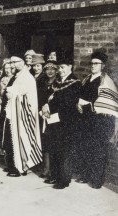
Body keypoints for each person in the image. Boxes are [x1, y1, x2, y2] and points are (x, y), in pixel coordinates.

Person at [76, 51, 118, 189]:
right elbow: (81, 95)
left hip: (99, 121)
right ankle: (86, 175)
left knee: (98, 150)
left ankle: (97, 180)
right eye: (92, 63)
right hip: (85, 120)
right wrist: (79, 104)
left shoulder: (106, 82)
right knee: (85, 147)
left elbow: (107, 103)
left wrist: (88, 105)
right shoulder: (87, 79)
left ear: (103, 65)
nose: (93, 66)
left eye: (96, 64)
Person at [41, 50, 81, 189]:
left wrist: (52, 104)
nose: (61, 71)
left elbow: (68, 104)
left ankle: (64, 180)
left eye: (63, 67)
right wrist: (46, 105)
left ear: (70, 67)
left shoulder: (75, 83)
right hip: (53, 121)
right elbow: (49, 97)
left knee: (64, 152)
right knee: (53, 149)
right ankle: (55, 175)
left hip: (66, 123)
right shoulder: (57, 83)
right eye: (60, 68)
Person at [1, 54, 42, 177]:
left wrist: (12, 96)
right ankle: (12, 165)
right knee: (10, 140)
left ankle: (20, 167)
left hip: (22, 114)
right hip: (13, 113)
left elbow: (28, 98)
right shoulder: (17, 76)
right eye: (12, 62)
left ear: (23, 62)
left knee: (20, 139)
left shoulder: (27, 77)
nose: (13, 65)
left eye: (16, 62)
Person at [37, 61, 58, 179]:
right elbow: (39, 98)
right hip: (43, 115)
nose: (50, 71)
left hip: (54, 116)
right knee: (45, 140)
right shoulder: (42, 83)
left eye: (52, 69)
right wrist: (41, 110)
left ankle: (52, 170)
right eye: (47, 69)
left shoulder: (58, 83)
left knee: (52, 141)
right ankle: (45, 168)